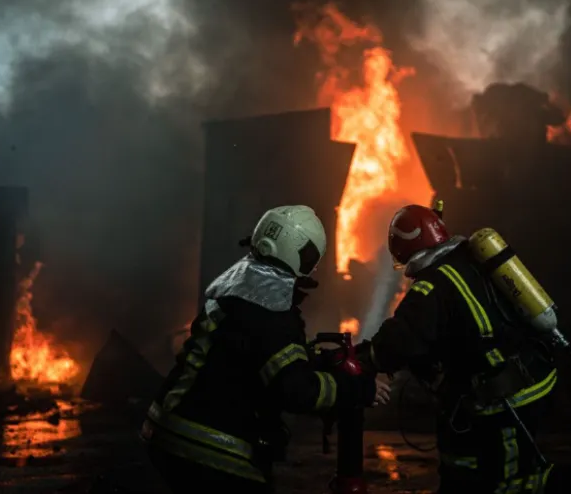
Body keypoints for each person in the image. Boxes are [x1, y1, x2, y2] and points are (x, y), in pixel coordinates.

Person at [141, 205, 391, 493]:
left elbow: (260, 356)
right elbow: (297, 391)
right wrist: (358, 389)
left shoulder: (240, 285)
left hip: (165, 428)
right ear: (301, 256)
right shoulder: (271, 308)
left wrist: (319, 362)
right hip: (212, 447)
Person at [356, 204, 560, 493]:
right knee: (472, 465)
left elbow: (400, 341)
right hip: (523, 377)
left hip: (504, 397)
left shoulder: (431, 287)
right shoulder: (469, 261)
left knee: (508, 479)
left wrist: (365, 358)